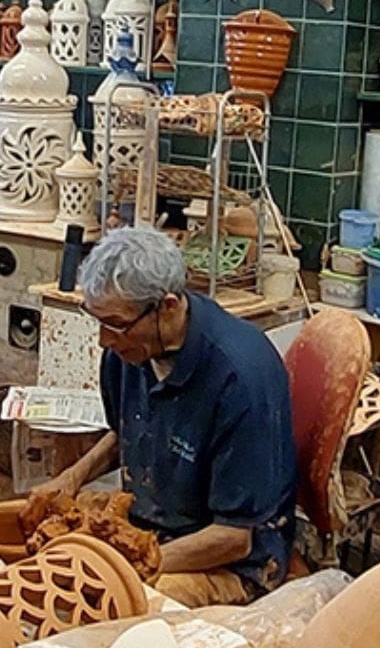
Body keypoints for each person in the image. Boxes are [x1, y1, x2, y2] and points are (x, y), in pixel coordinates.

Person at [33, 226, 299, 607]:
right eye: (98, 322)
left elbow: (235, 537)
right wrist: (72, 477)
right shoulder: (129, 349)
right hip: (151, 526)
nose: (103, 340)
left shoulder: (240, 378)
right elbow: (126, 430)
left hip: (231, 560)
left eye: (116, 324)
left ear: (168, 306)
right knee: (49, 547)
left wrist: (130, 562)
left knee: (110, 602)